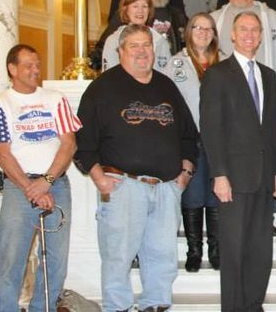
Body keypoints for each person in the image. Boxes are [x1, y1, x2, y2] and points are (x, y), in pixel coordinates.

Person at [75, 24, 198, 312]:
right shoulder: (102, 88)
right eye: (134, 46)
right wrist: (99, 178)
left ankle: (156, 304)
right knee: (118, 255)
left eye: (147, 45)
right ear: (121, 51)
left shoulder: (166, 86)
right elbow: (82, 139)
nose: (142, 51)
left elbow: (188, 135)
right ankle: (117, 307)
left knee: (162, 254)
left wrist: (185, 172)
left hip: (166, 188)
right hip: (123, 186)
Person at [0, 44, 80, 312]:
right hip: (19, 188)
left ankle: (43, 308)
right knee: (11, 257)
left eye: (37, 65)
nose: (35, 70)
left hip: (56, 185)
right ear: (12, 69)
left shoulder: (56, 99)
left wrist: (46, 182)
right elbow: (2, 154)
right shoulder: (0, 103)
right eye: (28, 65)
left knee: (55, 260)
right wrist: (31, 188)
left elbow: (69, 144)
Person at [200, 11, 276, 311]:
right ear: (232, 35)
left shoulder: (268, 75)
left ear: (261, 37)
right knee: (234, 250)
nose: (249, 34)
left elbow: (270, 129)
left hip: (263, 178)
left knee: (260, 249)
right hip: (232, 177)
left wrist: (275, 172)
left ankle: (253, 305)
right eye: (243, 29)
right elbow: (211, 127)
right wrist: (219, 174)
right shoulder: (217, 74)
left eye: (255, 30)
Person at [162, 14, 220, 274]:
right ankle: (194, 250)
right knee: (193, 194)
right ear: (189, 31)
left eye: (208, 28)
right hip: (190, 138)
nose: (203, 32)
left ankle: (216, 249)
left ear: (214, 33)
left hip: (218, 138)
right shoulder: (176, 62)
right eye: (198, 27)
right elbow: (168, 103)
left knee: (216, 193)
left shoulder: (224, 62)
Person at [101, 0, 172, 71]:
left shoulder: (160, 41)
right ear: (126, 10)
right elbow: (110, 74)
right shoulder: (113, 41)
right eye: (135, 6)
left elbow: (166, 74)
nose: (140, 11)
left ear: (149, 10)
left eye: (144, 6)